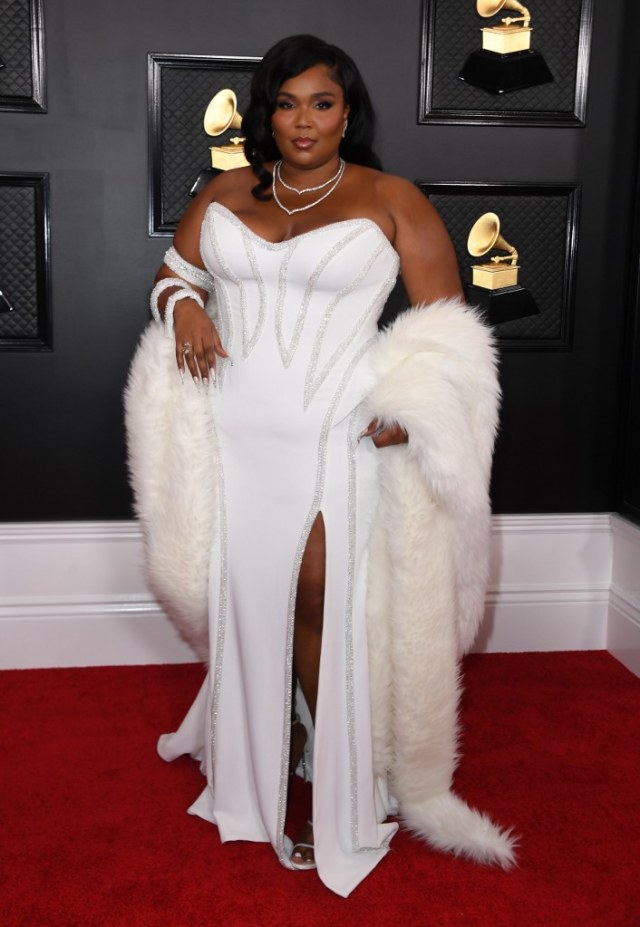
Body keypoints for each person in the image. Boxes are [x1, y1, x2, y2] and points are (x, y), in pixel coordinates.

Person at [125, 34, 515, 898]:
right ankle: (261, 766)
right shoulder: (224, 191)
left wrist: (408, 408)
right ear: (267, 111)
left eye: (322, 102)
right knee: (244, 600)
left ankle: (336, 780)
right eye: (287, 102)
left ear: (349, 112)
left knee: (316, 601)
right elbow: (168, 276)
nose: (303, 120)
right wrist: (185, 303)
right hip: (229, 432)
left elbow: (450, 332)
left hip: (332, 437)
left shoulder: (391, 199)